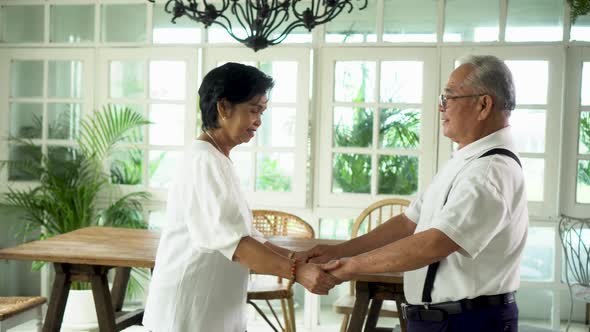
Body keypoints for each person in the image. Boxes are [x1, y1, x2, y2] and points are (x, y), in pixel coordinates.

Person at [302, 55, 528, 332]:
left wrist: (348, 267)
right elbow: (409, 223)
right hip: (440, 320)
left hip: (467, 322)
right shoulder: (467, 161)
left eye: (449, 98)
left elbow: (435, 243)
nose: (440, 108)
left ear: (483, 104)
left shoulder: (490, 170)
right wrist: (339, 252)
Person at [143, 62, 340, 332]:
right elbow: (236, 245)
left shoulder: (216, 158)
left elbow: (245, 236)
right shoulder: (205, 161)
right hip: (188, 312)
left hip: (209, 309)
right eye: (254, 110)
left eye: (262, 111)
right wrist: (297, 272)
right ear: (223, 108)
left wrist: (295, 257)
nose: (259, 120)